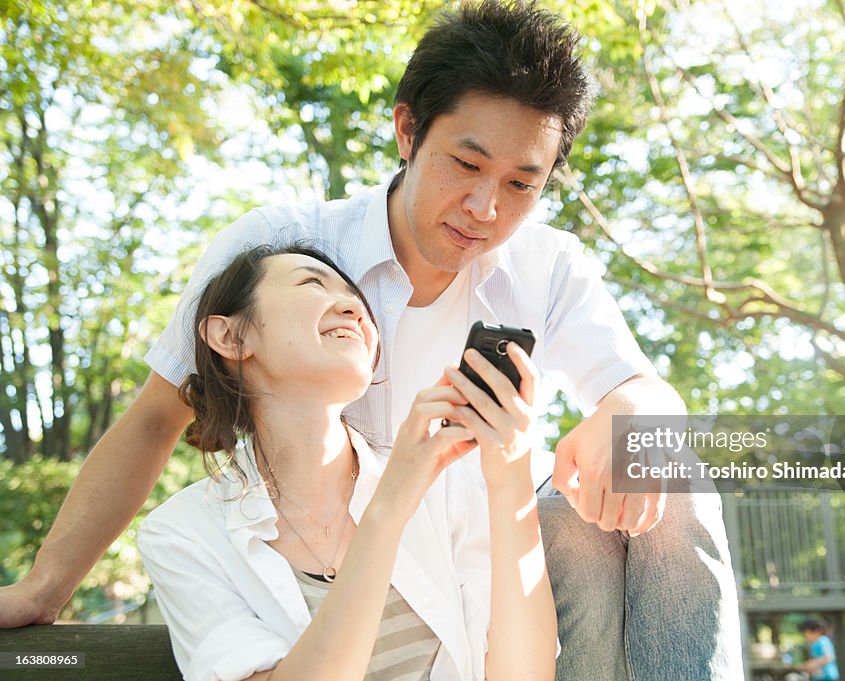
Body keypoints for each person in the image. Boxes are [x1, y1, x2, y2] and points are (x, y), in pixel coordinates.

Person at [0, 2, 741, 678]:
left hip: (495, 552)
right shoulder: (286, 250)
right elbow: (158, 418)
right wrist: (45, 586)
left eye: (522, 184)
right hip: (350, 568)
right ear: (408, 130)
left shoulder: (547, 264)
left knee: (667, 474)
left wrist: (630, 412)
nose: (485, 207)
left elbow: (641, 389)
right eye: (467, 164)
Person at [138, 244, 555, 680]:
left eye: (357, 299)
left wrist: (510, 481)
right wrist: (388, 509)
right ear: (231, 336)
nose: (354, 308)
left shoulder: (447, 485)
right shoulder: (182, 533)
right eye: (311, 283)